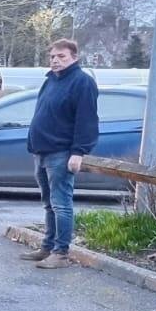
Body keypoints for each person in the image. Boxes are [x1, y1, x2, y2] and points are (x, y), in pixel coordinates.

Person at [20, 38, 98, 269]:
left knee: (61, 204)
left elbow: (86, 120)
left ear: (74, 57)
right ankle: (47, 246)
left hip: (61, 153)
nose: (55, 60)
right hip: (42, 151)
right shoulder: (51, 80)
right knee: (48, 203)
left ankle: (61, 253)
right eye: (52, 56)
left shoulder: (82, 82)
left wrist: (78, 152)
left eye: (61, 56)